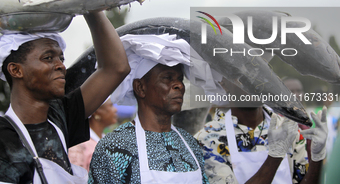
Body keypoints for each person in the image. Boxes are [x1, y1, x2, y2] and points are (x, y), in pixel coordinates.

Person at [0, 10, 130, 183]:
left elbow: (116, 68)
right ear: (16, 70)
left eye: (61, 58)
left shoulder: (60, 116)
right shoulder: (4, 136)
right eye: (48, 58)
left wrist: (92, 7)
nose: (61, 65)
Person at [89, 33, 225, 184]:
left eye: (180, 79)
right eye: (167, 78)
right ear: (140, 88)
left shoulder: (189, 142)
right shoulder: (113, 147)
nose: (179, 85)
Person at [194, 78, 328, 184]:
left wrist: (317, 158)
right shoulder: (208, 139)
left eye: (257, 75)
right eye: (242, 77)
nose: (252, 83)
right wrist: (274, 158)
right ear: (224, 84)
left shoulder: (288, 128)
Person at [68, 99, 118, 172]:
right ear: (96, 112)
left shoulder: (106, 140)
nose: (115, 110)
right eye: (111, 106)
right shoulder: (80, 145)